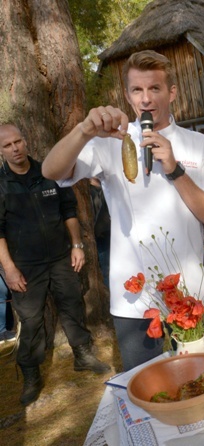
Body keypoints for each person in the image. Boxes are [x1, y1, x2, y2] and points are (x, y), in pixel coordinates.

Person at [41, 50, 204, 371]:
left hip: (190, 292)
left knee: (201, 379)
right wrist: (84, 129)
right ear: (127, 95)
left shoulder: (199, 144)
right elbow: (51, 171)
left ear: (172, 92)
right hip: (133, 298)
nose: (146, 99)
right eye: (137, 90)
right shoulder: (109, 142)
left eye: (154, 88)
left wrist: (175, 168)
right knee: (147, 390)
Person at [0, 124, 111, 405]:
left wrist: (76, 245)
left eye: (18, 141)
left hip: (62, 257)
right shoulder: (1, 184)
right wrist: (9, 269)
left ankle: (83, 356)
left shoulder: (48, 172)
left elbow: (69, 211)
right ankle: (31, 374)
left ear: (25, 141)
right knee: (32, 319)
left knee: (72, 304)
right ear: (0, 151)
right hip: (25, 267)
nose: (15, 149)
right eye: (7, 145)